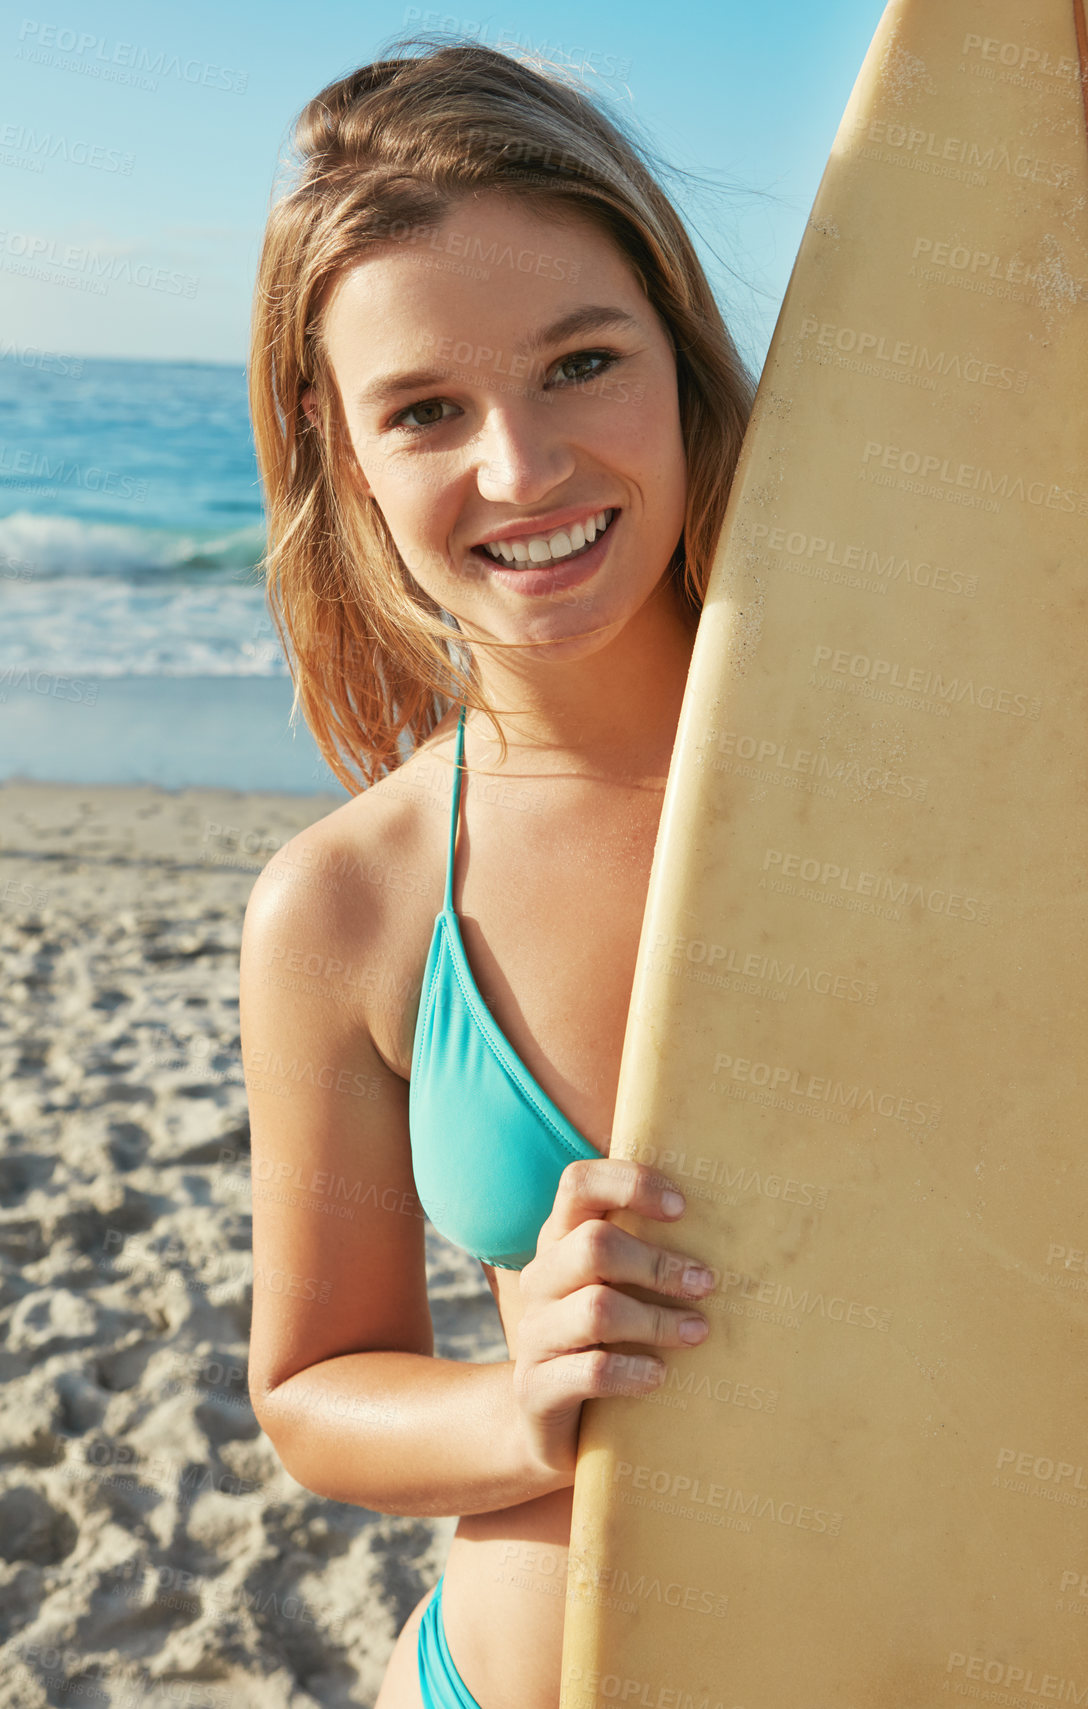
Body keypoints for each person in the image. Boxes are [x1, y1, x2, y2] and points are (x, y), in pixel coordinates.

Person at [240, 35, 754, 1709]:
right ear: (340, 441)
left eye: (579, 363)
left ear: (677, 351)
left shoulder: (970, 752)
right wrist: (518, 1396)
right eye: (426, 409)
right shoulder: (349, 903)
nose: (520, 472)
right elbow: (318, 1380)